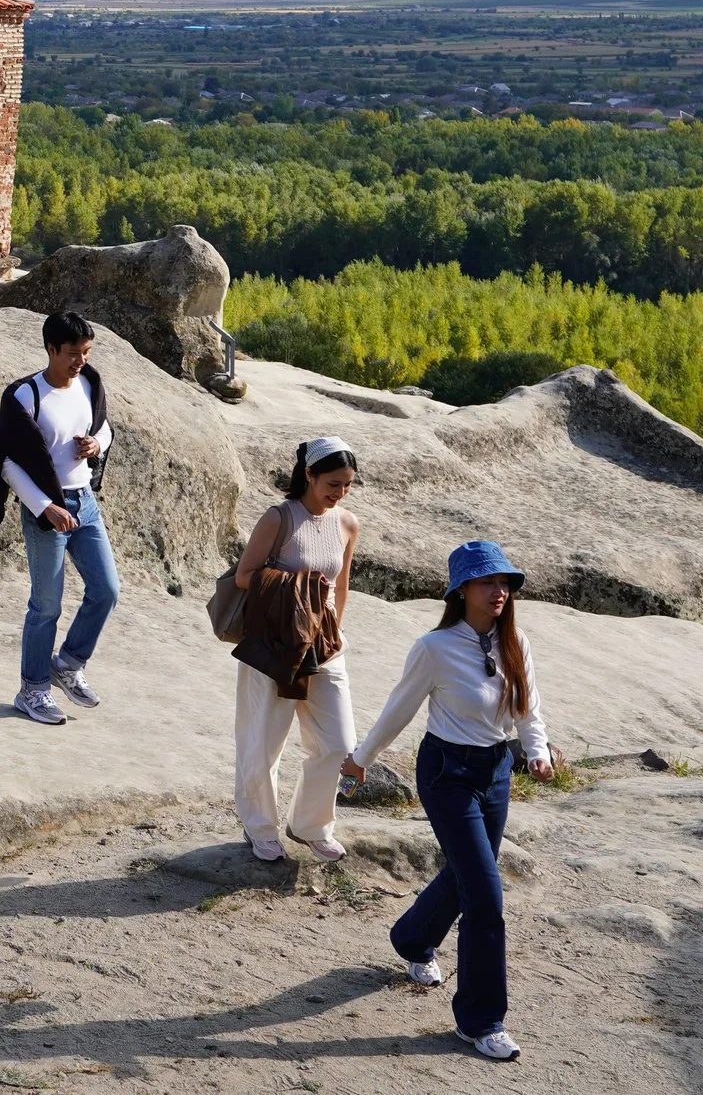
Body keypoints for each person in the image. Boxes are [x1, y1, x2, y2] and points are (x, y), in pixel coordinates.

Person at [341, 540, 556, 1064]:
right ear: (461, 591)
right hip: (447, 773)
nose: (499, 591)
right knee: (486, 894)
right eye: (487, 582)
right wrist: (361, 758)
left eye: (505, 582)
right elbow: (399, 709)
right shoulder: (434, 648)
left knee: (467, 873)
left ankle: (413, 938)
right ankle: (481, 1021)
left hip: (497, 771)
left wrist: (537, 751)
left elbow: (526, 706)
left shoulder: (516, 642)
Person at [0, 310, 119, 726]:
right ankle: (33, 690)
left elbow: (105, 425)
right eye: (73, 353)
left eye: (86, 352)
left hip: (86, 503)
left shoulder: (90, 383)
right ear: (51, 349)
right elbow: (6, 462)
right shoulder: (25, 396)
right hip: (46, 512)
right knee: (45, 607)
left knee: (107, 590)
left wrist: (96, 442)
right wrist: (45, 507)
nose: (81, 361)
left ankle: (69, 662)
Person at [231, 436, 361, 863]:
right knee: (263, 741)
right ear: (309, 475)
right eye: (333, 483)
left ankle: (310, 825)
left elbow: (340, 587)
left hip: (324, 644)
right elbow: (244, 576)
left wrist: (334, 631)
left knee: (339, 743)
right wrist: (299, 585)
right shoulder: (279, 517)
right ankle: (259, 827)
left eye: (347, 485)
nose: (340, 493)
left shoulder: (347, 524)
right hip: (276, 639)